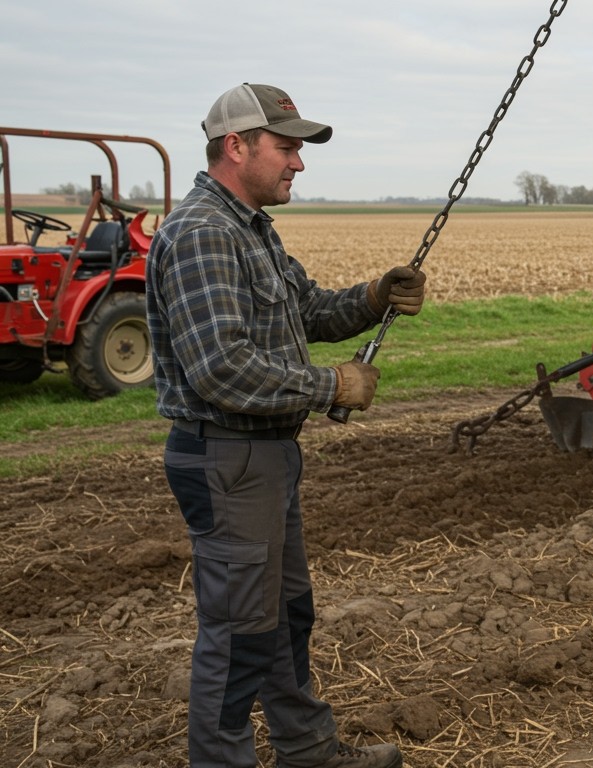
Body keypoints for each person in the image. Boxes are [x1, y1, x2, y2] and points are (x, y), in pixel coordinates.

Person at [146, 83, 424, 768]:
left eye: (299, 147)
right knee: (240, 638)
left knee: (283, 617)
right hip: (228, 461)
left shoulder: (250, 229)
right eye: (286, 146)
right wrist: (335, 383)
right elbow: (222, 370)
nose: (298, 162)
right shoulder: (203, 235)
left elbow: (306, 313)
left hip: (263, 461)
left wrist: (372, 297)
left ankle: (307, 751)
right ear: (236, 146)